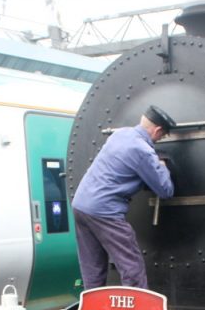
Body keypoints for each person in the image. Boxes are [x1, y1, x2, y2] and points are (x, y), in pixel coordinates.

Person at [71, 105, 175, 290]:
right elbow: (165, 190)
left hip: (80, 206)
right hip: (105, 212)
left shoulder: (120, 134)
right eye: (163, 135)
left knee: (92, 268)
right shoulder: (142, 149)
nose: (160, 140)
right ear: (157, 130)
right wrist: (162, 165)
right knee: (131, 267)